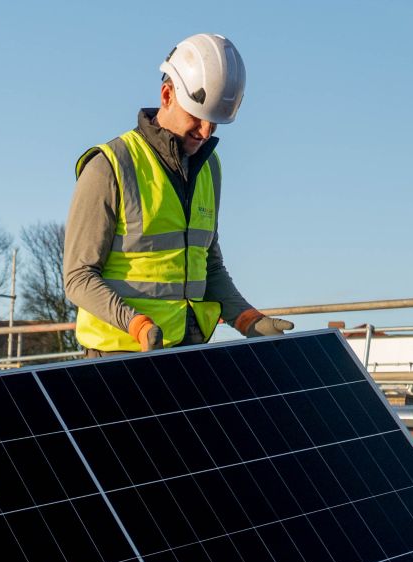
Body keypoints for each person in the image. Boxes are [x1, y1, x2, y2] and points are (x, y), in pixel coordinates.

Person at [64, 33, 293, 355]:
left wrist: (245, 318)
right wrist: (137, 325)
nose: (204, 132)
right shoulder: (109, 166)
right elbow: (78, 276)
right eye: (196, 117)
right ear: (167, 95)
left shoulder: (209, 167)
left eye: (214, 122)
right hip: (118, 357)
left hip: (187, 351)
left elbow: (208, 265)